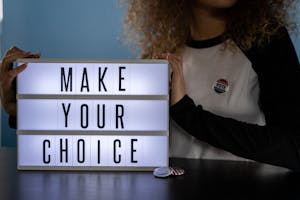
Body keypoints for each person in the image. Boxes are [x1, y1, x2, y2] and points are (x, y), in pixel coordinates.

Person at [1, 0, 300, 171]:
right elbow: (119, 142)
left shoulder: (267, 42)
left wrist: (188, 114)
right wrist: (24, 113)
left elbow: (292, 148)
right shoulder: (162, 52)